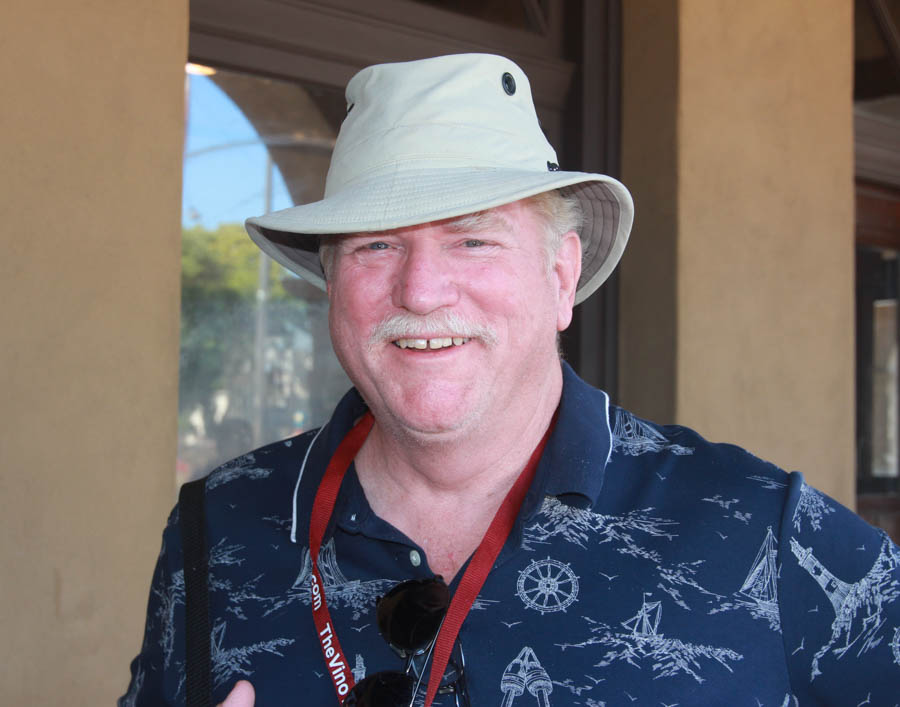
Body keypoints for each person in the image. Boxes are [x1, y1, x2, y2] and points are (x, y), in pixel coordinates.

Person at [121, 54, 900, 707]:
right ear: (331, 286)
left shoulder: (759, 529)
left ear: (560, 277)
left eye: (472, 240)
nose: (421, 290)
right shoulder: (217, 527)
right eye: (376, 245)